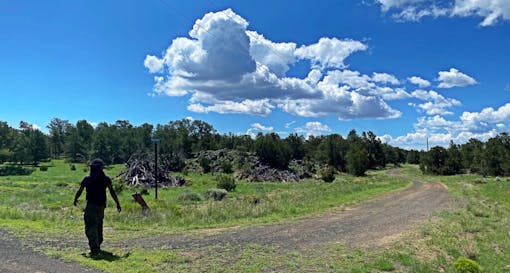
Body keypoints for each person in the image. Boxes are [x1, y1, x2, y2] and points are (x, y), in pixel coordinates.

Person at [73, 158, 121, 255]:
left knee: (90, 226)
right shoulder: (106, 179)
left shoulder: (88, 179)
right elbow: (112, 191)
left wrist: (75, 199)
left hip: (91, 205)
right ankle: (98, 242)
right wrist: (117, 203)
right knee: (99, 224)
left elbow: (80, 190)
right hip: (101, 206)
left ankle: (95, 248)